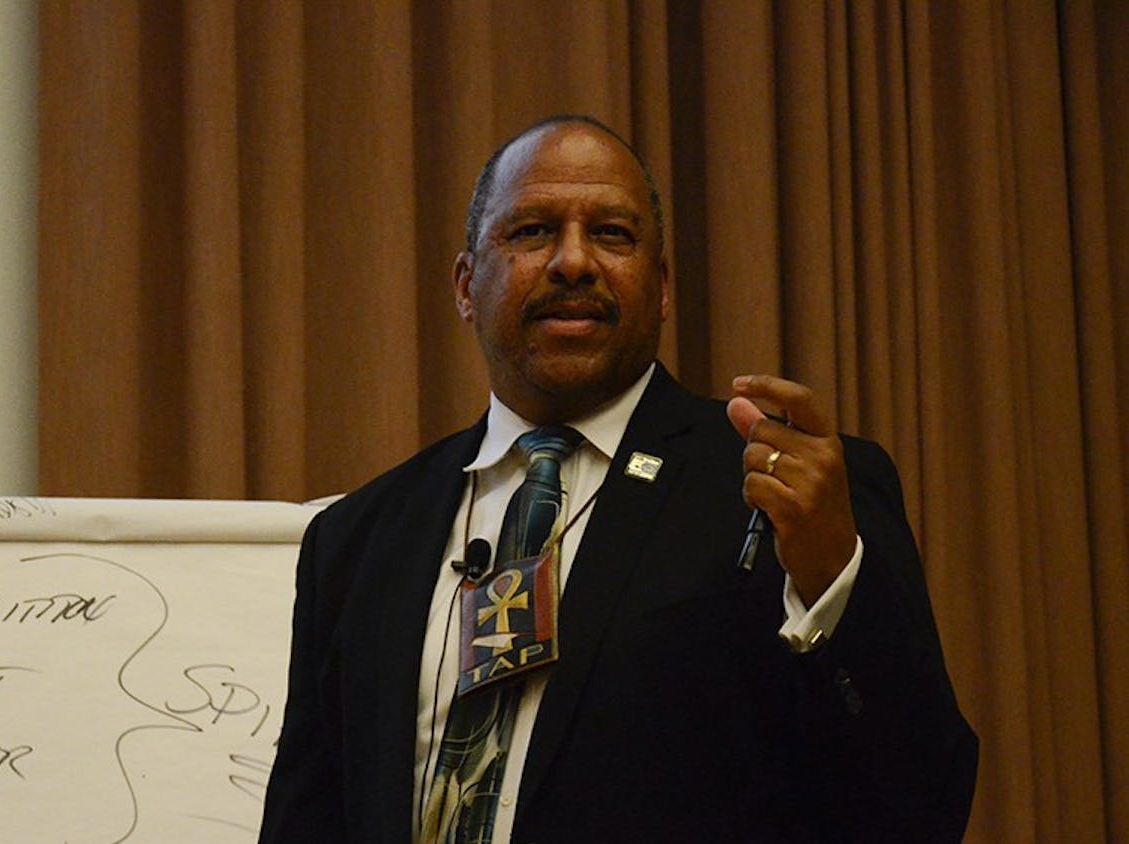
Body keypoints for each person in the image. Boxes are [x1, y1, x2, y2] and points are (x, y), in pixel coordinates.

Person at [259, 115, 978, 843]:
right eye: (533, 231)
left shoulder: (784, 490)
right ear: (466, 284)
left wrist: (832, 590)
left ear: (661, 287)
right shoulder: (355, 543)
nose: (573, 262)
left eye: (612, 234)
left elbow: (921, 804)